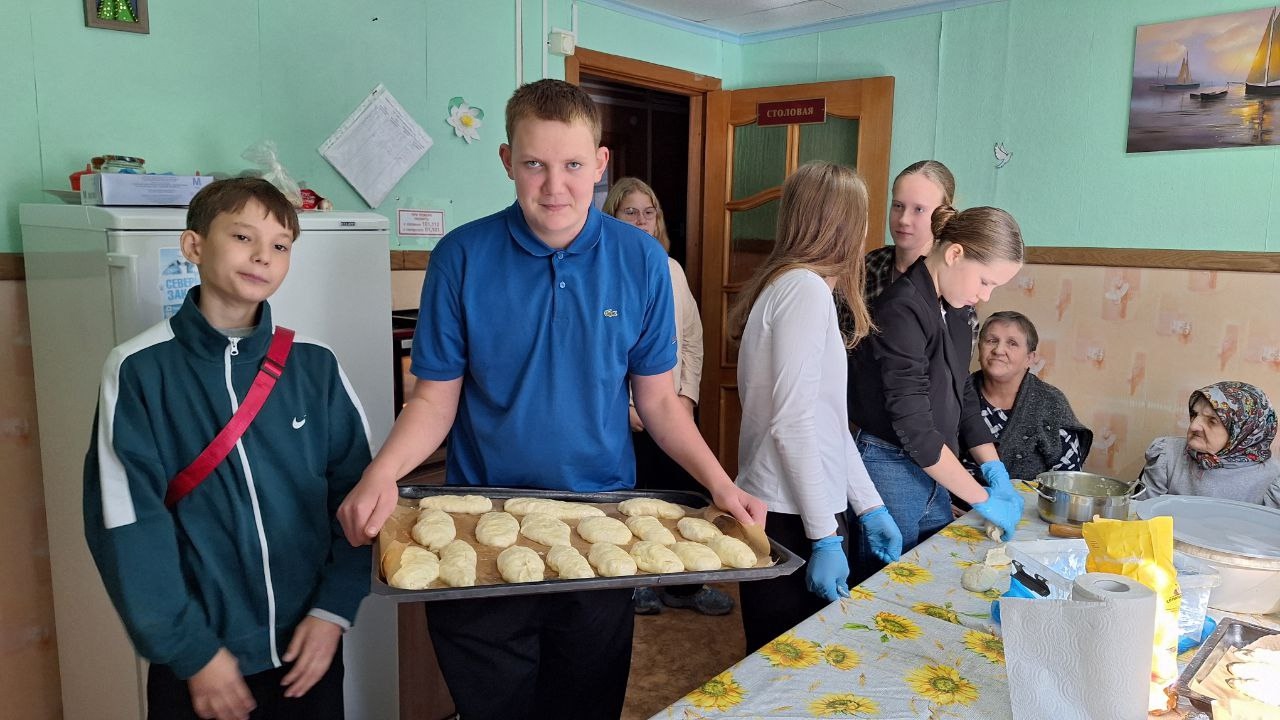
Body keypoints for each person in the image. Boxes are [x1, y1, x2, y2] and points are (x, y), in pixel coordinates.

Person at [336, 79, 766, 719]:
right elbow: (434, 402)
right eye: (535, 164)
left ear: (600, 165)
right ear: (507, 160)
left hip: (601, 535)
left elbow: (658, 402)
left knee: (584, 706)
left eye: (572, 165)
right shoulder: (461, 256)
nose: (554, 186)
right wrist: (382, 471)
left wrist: (718, 482)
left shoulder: (642, 261)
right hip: (478, 523)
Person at [84, 178, 373, 720]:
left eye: (281, 245)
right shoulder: (139, 370)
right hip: (199, 663)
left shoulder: (315, 365)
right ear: (193, 246)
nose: (263, 256)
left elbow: (361, 500)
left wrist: (335, 609)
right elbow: (126, 523)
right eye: (243, 236)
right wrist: (192, 652)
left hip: (306, 650)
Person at [731, 162, 903, 653]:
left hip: (800, 509)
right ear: (847, 226)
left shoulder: (795, 287)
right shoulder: (803, 290)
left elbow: (826, 423)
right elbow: (793, 425)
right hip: (794, 516)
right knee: (785, 670)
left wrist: (869, 506)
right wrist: (824, 537)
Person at [847, 205, 1026, 569]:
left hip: (935, 469)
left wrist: (995, 470)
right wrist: (980, 497)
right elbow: (914, 429)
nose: (987, 296)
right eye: (985, 282)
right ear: (955, 254)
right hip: (890, 468)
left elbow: (963, 393)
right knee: (885, 588)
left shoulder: (958, 310)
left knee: (931, 574)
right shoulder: (901, 310)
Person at [602, 177, 733, 617]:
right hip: (622, 418)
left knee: (683, 498)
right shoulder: (603, 271)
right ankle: (637, 584)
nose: (641, 220)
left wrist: (686, 399)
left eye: (649, 211)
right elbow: (601, 354)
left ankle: (686, 587)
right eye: (630, 211)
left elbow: (692, 339)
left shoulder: (671, 270)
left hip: (672, 411)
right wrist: (629, 407)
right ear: (611, 218)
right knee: (629, 504)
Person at [966, 310, 1092, 480]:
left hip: (1030, 504)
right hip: (954, 503)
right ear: (979, 348)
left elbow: (1067, 479)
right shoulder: (955, 393)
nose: (999, 350)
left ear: (1030, 358)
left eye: (1012, 343)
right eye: (991, 341)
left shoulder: (1050, 402)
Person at [1137, 381, 1280, 508]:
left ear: (1244, 430)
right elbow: (1141, 514)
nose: (1194, 426)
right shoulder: (1168, 454)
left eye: (1212, 420)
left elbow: (1266, 535)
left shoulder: (1273, 479)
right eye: (1194, 414)